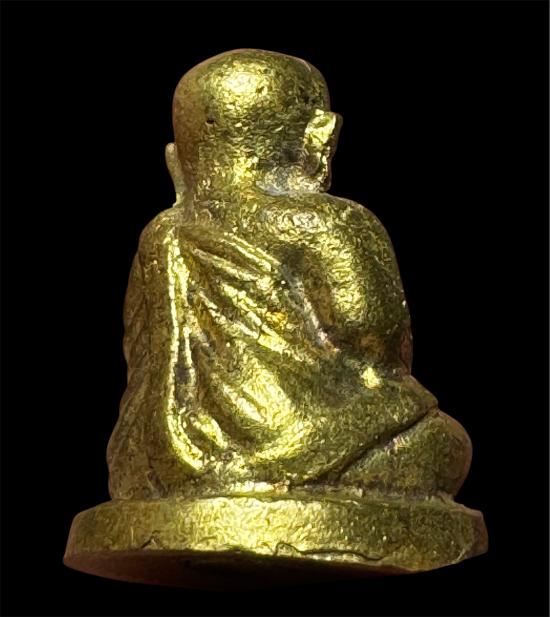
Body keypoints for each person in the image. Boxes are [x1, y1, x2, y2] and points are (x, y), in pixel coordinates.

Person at [107, 48, 471, 504]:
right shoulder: (329, 222)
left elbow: (138, 350)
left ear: (174, 159)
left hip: (158, 457)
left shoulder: (158, 235)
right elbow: (376, 336)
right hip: (296, 437)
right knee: (444, 444)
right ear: (321, 139)